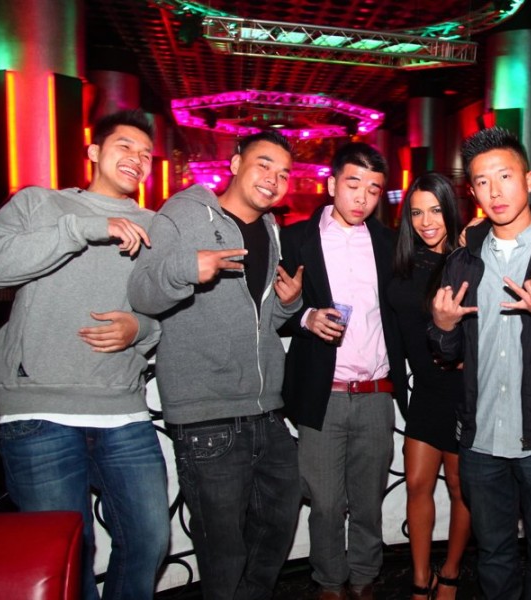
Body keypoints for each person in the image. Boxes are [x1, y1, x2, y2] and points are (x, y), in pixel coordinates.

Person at [0, 109, 169, 600]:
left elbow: (171, 311)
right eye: (125, 146)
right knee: (65, 558)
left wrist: (141, 329)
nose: (138, 159)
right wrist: (81, 229)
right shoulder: (40, 203)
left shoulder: (157, 226)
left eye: (146, 154)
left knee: (150, 541)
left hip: (123, 410)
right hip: (39, 409)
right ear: (94, 151)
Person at [127, 130, 303, 600]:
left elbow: (260, 321)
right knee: (222, 555)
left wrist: (289, 304)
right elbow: (142, 292)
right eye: (264, 164)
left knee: (279, 523)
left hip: (265, 411)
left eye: (283, 173)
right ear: (236, 162)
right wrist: (188, 268)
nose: (273, 179)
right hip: (208, 417)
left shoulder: (270, 229)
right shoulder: (184, 212)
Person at [427, 127, 531, 600]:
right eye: (482, 181)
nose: (495, 191)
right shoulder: (463, 260)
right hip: (481, 439)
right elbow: (447, 353)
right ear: (473, 191)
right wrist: (442, 327)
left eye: (504, 176)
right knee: (494, 555)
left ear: (529, 179)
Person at [279, 141, 407, 600]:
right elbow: (269, 308)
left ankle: (366, 578)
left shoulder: (390, 243)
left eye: (373, 189)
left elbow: (407, 306)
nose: (362, 198)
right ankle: (330, 583)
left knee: (369, 501)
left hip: (376, 392)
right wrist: (305, 317)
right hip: (323, 393)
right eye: (354, 184)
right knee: (326, 503)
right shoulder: (295, 239)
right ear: (332, 184)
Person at [387, 172, 471, 600]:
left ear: (450, 211)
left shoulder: (467, 261)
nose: (426, 222)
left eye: (436, 210)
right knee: (418, 484)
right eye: (417, 213)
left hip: (461, 391)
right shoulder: (400, 263)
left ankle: (450, 574)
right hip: (424, 391)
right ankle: (421, 579)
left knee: (459, 488)